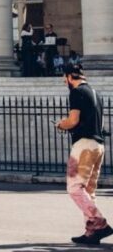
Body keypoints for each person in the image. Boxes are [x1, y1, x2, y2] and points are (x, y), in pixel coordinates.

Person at [55, 62, 112, 245]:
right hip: (98, 145)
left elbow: (73, 121)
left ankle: (99, 223)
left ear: (70, 76)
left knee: (74, 188)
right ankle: (91, 232)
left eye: (65, 78)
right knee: (88, 191)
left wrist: (61, 124)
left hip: (84, 145)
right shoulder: (96, 93)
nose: (65, 81)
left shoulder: (77, 92)